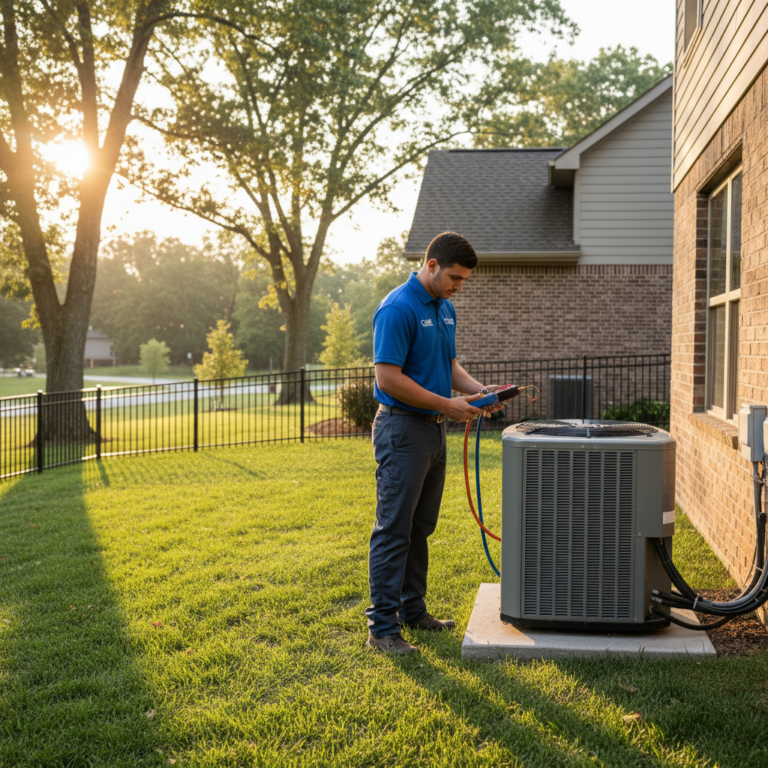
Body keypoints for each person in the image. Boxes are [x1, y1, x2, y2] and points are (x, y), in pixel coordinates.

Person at [365, 231, 500, 654]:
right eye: (455, 278)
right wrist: (446, 403)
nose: (459, 286)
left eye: (464, 280)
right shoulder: (397, 308)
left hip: (434, 430)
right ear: (431, 265)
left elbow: (449, 365)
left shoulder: (445, 308)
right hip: (402, 430)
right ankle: (382, 629)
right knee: (394, 529)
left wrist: (479, 392)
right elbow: (388, 378)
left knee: (420, 527)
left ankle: (412, 610)